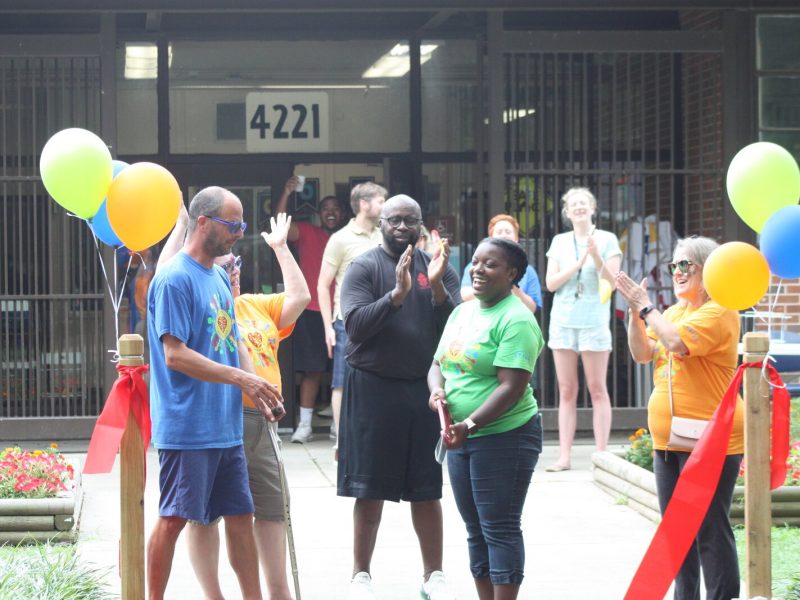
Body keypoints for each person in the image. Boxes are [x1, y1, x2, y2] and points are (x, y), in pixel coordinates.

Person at [159, 207, 310, 600]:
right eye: (228, 259)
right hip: (204, 419)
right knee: (191, 517)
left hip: (248, 422)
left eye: (238, 262)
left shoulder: (245, 301)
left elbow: (295, 301)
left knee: (254, 512)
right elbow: (173, 343)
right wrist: (179, 227)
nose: (234, 264)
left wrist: (257, 384)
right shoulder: (186, 279)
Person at [338, 194, 461, 600]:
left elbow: (456, 330)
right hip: (372, 388)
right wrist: (396, 296)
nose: (402, 227)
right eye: (394, 220)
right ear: (381, 224)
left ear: (421, 226)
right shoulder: (363, 267)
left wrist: (439, 287)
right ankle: (360, 575)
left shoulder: (438, 268)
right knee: (369, 486)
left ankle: (434, 576)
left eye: (410, 220)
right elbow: (355, 327)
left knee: (427, 487)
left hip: (423, 390)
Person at [614, 236, 743, 600]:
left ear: (710, 270)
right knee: (676, 533)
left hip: (710, 441)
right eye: (674, 265)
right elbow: (644, 353)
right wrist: (634, 317)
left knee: (709, 531)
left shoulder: (720, 311)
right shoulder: (672, 313)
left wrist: (645, 308)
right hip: (668, 442)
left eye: (686, 264)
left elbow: (675, 343)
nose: (677, 271)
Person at [428, 237, 544, 600]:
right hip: (460, 437)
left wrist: (470, 425)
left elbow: (511, 387)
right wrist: (437, 393)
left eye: (490, 264)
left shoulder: (517, 320)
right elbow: (437, 364)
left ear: (512, 275)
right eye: (476, 262)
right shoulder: (463, 312)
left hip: (505, 437)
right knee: (475, 529)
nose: (478, 270)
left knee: (500, 528)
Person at [544, 186, 622, 471]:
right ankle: (564, 456)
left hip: (594, 321)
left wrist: (596, 256)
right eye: (573, 203)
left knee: (597, 388)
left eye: (583, 203)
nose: (578, 207)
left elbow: (612, 282)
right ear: (567, 211)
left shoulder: (607, 239)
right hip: (563, 321)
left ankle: (601, 454)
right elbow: (550, 284)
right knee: (567, 390)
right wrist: (577, 263)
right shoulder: (560, 241)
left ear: (592, 208)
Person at [317, 182, 387, 452]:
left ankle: (376, 434)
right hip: (347, 320)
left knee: (380, 377)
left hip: (382, 318)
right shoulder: (340, 239)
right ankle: (343, 438)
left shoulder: (385, 235)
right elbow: (323, 284)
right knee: (342, 381)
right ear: (364, 204)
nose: (384, 206)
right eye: (381, 201)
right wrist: (328, 327)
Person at [274, 175, 345, 443]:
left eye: (335, 209)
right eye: (326, 209)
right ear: (319, 214)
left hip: (341, 311)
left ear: (343, 213)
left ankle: (338, 425)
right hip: (311, 312)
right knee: (312, 370)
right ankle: (304, 426)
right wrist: (286, 191)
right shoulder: (306, 232)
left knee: (342, 370)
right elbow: (280, 222)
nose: (331, 213)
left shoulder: (349, 237)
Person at [460, 214, 542, 315]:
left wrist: (512, 285)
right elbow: (465, 295)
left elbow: (531, 308)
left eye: (508, 232)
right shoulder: (476, 266)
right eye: (499, 232)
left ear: (516, 239)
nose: (504, 235)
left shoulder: (528, 271)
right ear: (490, 238)